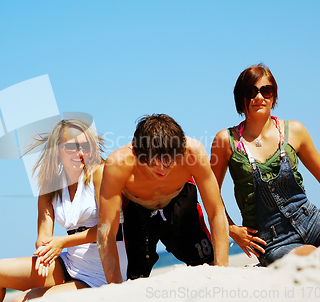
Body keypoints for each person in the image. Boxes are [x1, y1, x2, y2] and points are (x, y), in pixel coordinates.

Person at [210, 63, 320, 266]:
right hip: (271, 240)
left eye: (265, 91)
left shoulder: (294, 130)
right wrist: (231, 228)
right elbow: (211, 194)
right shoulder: (225, 140)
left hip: (312, 220)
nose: (259, 97)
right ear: (240, 97)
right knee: (312, 257)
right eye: (251, 91)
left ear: (273, 96)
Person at [0, 119, 127, 302]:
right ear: (57, 150)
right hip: (70, 263)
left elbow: (108, 230)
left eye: (85, 146)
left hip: (101, 272)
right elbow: (43, 234)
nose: (80, 152)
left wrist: (62, 243)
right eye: (71, 147)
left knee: (23, 300)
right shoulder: (50, 186)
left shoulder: (99, 174)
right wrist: (44, 250)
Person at [97, 114, 229, 284]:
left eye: (169, 161)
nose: (161, 169)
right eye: (152, 161)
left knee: (208, 264)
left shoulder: (192, 152)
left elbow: (216, 211)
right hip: (138, 212)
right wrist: (114, 287)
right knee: (134, 278)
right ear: (138, 152)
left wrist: (222, 272)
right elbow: (106, 230)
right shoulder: (118, 164)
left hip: (180, 203)